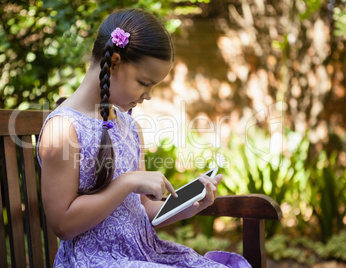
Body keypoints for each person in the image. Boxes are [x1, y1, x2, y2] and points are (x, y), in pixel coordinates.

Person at [37, 8, 251, 268]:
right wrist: (127, 182)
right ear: (114, 62)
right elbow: (62, 225)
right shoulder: (63, 129)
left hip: (143, 253)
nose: (148, 95)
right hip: (94, 259)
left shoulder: (129, 126)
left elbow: (141, 210)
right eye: (144, 82)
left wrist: (191, 205)